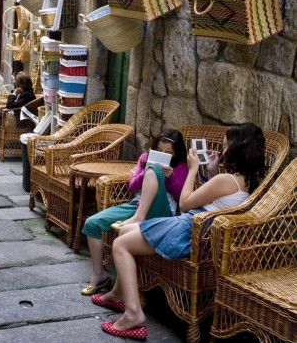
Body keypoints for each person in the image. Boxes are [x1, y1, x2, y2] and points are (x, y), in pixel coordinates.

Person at [94, 122, 266, 341]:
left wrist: (193, 169)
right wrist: (212, 171)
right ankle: (119, 294)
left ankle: (133, 314)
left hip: (189, 229)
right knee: (125, 230)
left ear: (237, 149)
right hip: (200, 233)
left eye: (225, 146)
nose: (223, 150)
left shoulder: (227, 180)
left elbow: (185, 204)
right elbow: (220, 202)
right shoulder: (247, 182)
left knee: (120, 244)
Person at [80, 128, 188, 296]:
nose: (162, 154)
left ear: (176, 154)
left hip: (164, 208)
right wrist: (146, 172)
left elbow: (182, 196)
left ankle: (139, 217)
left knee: (156, 170)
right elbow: (132, 186)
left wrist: (170, 177)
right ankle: (99, 274)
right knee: (92, 223)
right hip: (137, 204)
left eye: (168, 153)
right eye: (159, 150)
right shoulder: (145, 158)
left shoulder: (181, 166)